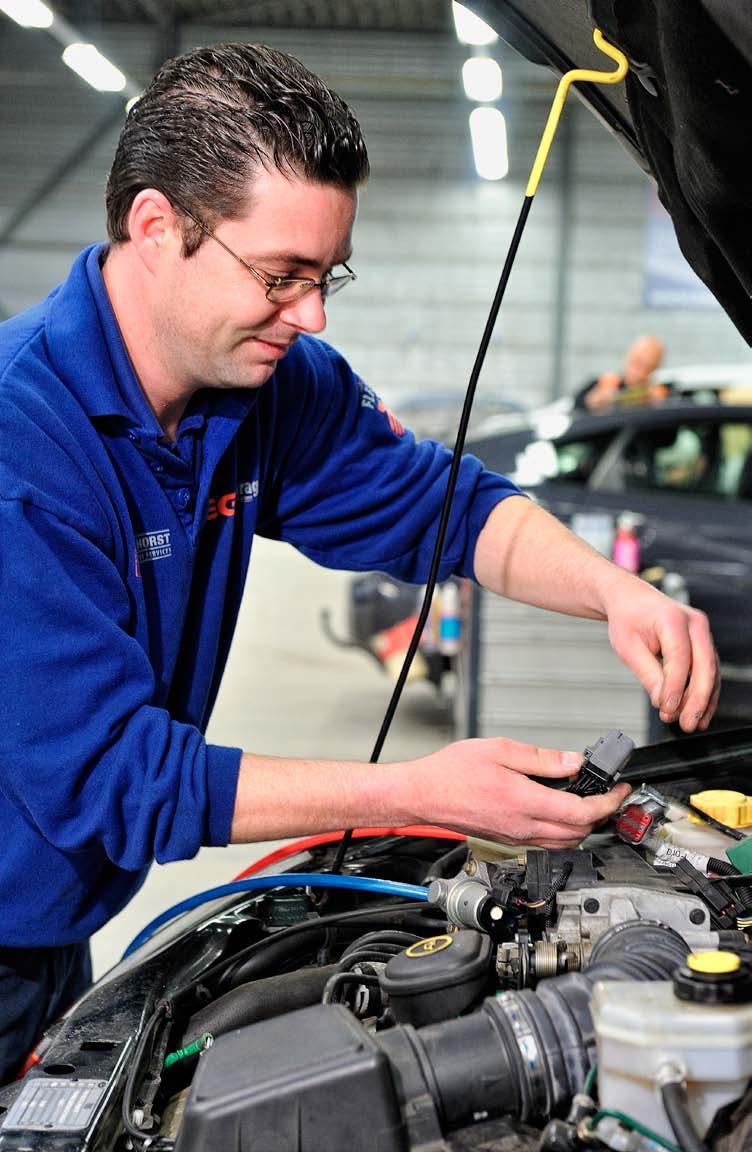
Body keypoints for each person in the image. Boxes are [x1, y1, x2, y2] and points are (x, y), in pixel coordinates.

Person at [0, 44, 719, 1082]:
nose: (312, 316)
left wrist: (611, 588)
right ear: (156, 229)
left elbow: (445, 506)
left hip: (50, 925)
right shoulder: (24, 449)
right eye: (279, 276)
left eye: (325, 275)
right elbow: (111, 779)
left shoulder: (259, 385)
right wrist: (417, 791)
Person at [575, 334, 669, 412]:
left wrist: (660, 406)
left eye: (649, 367)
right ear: (628, 357)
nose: (641, 373)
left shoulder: (662, 396)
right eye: (637, 363)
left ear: (657, 368)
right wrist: (592, 401)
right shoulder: (603, 384)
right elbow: (575, 407)